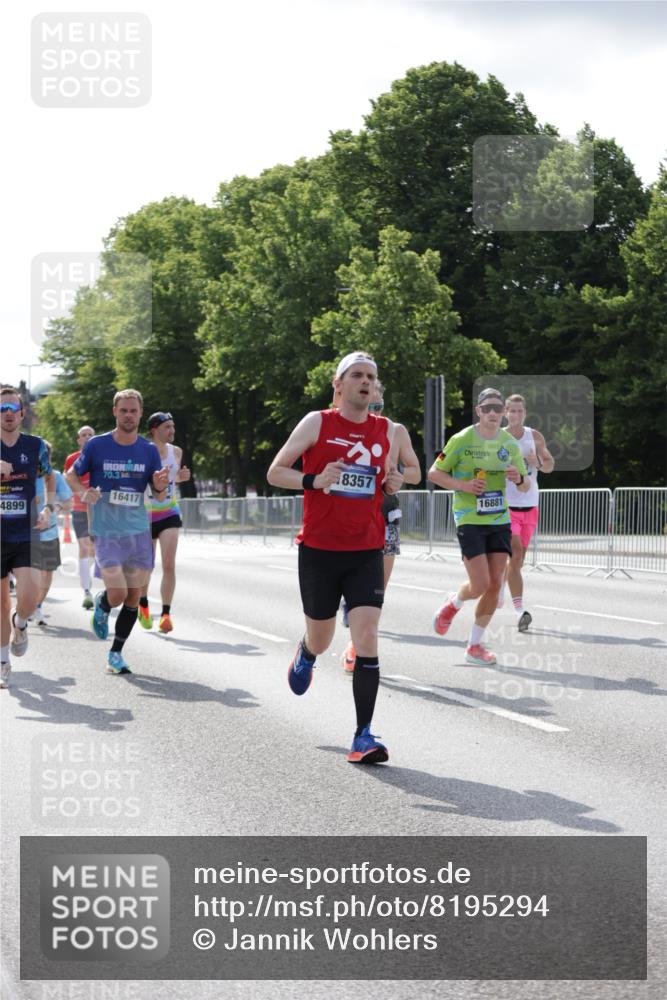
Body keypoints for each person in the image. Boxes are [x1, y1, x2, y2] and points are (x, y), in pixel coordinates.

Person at [267, 352, 403, 764]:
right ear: (338, 383)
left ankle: (363, 735)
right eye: (358, 375)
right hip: (320, 551)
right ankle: (307, 651)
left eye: (372, 377)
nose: (366, 382)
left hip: (366, 549)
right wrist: (314, 479)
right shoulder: (317, 422)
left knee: (366, 636)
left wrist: (394, 479)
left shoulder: (388, 431)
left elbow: (394, 477)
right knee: (323, 638)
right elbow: (276, 472)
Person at [65, 389, 169, 675]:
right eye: (123, 410)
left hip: (137, 531)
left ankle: (116, 653)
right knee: (119, 593)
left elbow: (159, 495)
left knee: (134, 597)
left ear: (140, 413)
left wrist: (160, 485)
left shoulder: (148, 450)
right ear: (115, 412)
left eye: (133, 411)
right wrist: (82, 492)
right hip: (107, 530)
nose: (128, 415)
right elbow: (70, 474)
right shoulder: (97, 445)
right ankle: (102, 602)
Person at [428, 387, 529, 665]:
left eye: (498, 408)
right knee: (480, 583)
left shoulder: (509, 443)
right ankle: (453, 604)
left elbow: (526, 482)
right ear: (479, 411)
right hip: (469, 518)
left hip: (499, 519)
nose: (494, 413)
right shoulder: (462, 439)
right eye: (488, 408)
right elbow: (434, 473)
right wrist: (463, 486)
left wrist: (518, 477)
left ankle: (475, 645)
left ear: (504, 412)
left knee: (496, 584)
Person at [337, 381, 421, 672]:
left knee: (376, 593)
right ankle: (349, 615)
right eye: (369, 402)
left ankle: (356, 648)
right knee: (351, 589)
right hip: (350, 517)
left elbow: (417, 470)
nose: (374, 407)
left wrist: (398, 473)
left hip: (386, 516)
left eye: (378, 402)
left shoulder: (394, 430)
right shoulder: (341, 425)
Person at [1, 386, 55, 688]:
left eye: (13, 409)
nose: (7, 414)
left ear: (22, 413)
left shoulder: (35, 446)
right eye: (2, 409)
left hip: (26, 531)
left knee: (30, 596)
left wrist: (48, 506)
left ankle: (20, 624)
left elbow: (48, 475)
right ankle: (3, 662)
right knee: (0, 604)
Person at [500, 393, 555, 631]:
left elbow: (551, 465)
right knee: (515, 551)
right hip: (507, 505)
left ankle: (501, 584)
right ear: (505, 413)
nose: (516, 415)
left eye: (520, 411)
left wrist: (539, 462)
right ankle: (520, 610)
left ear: (525, 413)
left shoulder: (534, 436)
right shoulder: (498, 437)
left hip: (531, 505)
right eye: (512, 411)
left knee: (518, 560)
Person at [137, 412, 190, 634]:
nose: (172, 431)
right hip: (146, 515)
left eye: (173, 426)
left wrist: (182, 477)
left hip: (169, 512)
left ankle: (166, 614)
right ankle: (143, 604)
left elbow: (173, 477)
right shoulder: (142, 452)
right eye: (167, 427)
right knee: (147, 565)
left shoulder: (176, 452)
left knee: (169, 564)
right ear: (154, 429)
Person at [32, 442, 74, 625]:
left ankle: (37, 606)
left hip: (48, 534)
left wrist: (55, 507)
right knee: (28, 574)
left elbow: (69, 503)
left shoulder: (55, 476)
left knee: (47, 573)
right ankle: (25, 605)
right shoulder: (19, 476)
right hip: (24, 535)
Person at [64, 425, 96, 610]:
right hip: (80, 509)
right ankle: (86, 591)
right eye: (83, 435)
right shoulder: (72, 459)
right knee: (85, 547)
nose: (87, 437)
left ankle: (89, 575)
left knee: (96, 550)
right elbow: (67, 481)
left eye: (90, 434)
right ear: (78, 440)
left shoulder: (102, 456)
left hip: (100, 511)